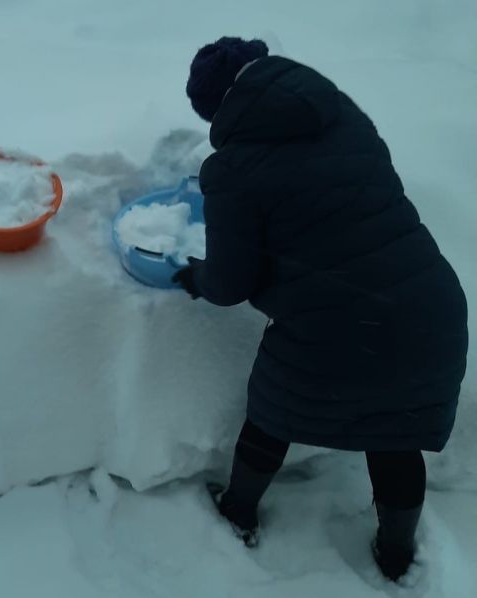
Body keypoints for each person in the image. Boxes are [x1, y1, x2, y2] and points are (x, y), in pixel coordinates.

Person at [173, 36, 469, 582]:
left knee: (272, 412)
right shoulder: (339, 113)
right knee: (397, 433)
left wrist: (194, 276)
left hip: (344, 325)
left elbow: (231, 282)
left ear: (218, 108)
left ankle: (238, 511)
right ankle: (398, 555)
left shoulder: (234, 170)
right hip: (431, 305)